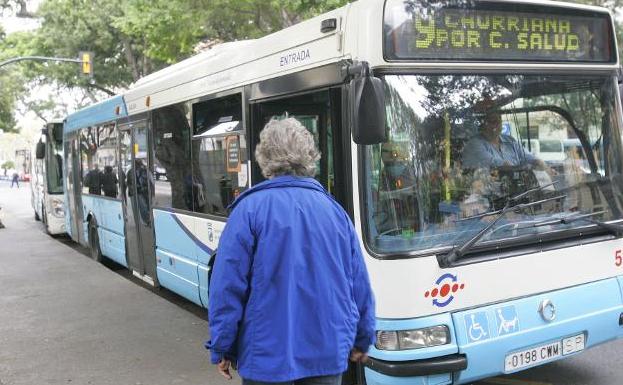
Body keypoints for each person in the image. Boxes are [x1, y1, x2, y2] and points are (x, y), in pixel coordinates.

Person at [206, 118, 376, 384]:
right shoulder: (335, 212)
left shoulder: (248, 212)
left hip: (265, 358)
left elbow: (226, 288)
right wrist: (362, 339)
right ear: (309, 156)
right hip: (326, 353)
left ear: (265, 157)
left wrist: (222, 346)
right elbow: (358, 285)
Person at [462, 100, 545, 170]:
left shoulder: (510, 141)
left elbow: (527, 157)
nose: (498, 124)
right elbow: (499, 166)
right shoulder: (474, 144)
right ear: (482, 123)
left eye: (499, 120)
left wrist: (538, 162)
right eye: (493, 121)